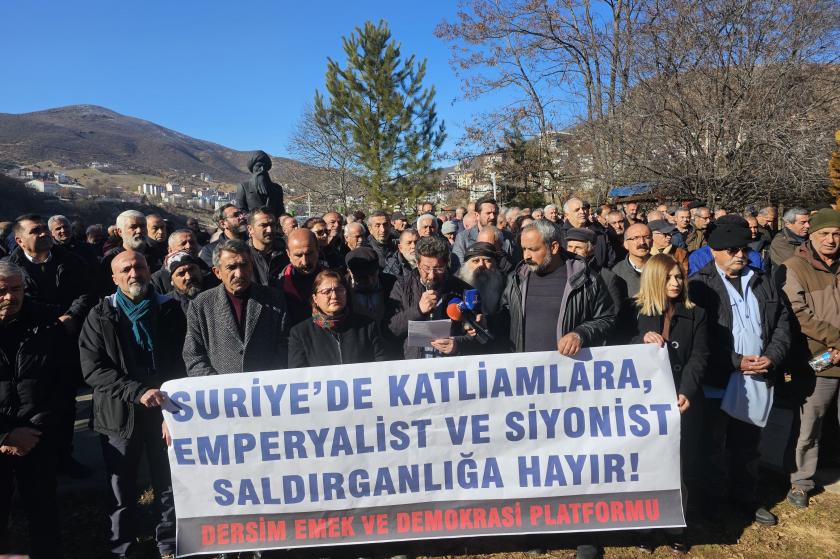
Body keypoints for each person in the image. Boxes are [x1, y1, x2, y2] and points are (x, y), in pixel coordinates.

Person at [79, 251, 185, 559]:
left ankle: (168, 543)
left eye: (138, 266)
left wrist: (173, 407)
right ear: (114, 278)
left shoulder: (171, 310)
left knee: (167, 483)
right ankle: (123, 548)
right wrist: (136, 391)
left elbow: (183, 361)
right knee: (120, 489)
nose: (133, 273)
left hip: (165, 411)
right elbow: (93, 369)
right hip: (118, 414)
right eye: (125, 270)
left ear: (150, 270)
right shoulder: (100, 315)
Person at [688, 220, 790, 526]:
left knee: (747, 444)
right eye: (732, 250)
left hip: (757, 377)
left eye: (744, 249)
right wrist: (735, 361)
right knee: (712, 445)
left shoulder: (762, 280)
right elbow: (700, 337)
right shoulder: (700, 285)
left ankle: (745, 496)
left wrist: (772, 357)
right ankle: (711, 501)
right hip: (719, 381)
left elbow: (782, 321)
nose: (740, 255)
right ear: (713, 251)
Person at [631, 253, 708, 554]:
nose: (676, 283)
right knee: (648, 466)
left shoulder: (696, 314)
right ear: (654, 279)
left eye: (679, 277)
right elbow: (616, 350)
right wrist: (640, 340)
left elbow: (699, 356)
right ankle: (646, 527)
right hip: (644, 405)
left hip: (679, 401)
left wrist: (687, 390)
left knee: (677, 467)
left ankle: (676, 525)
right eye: (669, 277)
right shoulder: (635, 311)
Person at [8, 213, 94, 477]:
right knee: (31, 405)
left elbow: (87, 291)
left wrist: (72, 315)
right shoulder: (10, 269)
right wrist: (54, 317)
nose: (44, 234)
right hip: (29, 347)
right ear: (20, 240)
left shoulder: (71, 261)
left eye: (44, 229)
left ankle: (64, 457)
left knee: (65, 402)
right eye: (36, 231)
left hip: (66, 342)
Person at [0, 261, 66, 558]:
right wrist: (5, 435)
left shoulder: (46, 322)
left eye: (17, 289)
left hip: (38, 436)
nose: (10, 297)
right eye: (2, 291)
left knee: (44, 514)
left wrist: (34, 430)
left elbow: (63, 381)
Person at [779, 208, 840, 508]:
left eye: (837, 234)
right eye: (824, 234)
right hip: (818, 360)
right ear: (811, 236)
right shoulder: (795, 267)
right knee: (809, 426)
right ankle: (801, 481)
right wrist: (836, 341)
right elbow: (799, 314)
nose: (831, 239)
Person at [498, 220, 615, 355]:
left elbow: (607, 319)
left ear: (553, 247)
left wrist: (580, 334)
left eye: (533, 249)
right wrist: (486, 322)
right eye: (524, 249)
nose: (526, 256)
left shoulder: (586, 279)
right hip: (526, 371)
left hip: (568, 369)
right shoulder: (516, 279)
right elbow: (505, 317)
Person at [183, 239, 289, 376]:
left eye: (244, 265)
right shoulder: (201, 304)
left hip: (267, 390)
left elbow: (285, 344)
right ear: (217, 272)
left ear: (251, 266)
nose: (239, 274)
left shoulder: (274, 298)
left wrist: (268, 380)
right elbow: (194, 356)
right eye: (231, 267)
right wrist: (219, 387)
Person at [387, 235, 478, 359]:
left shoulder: (461, 289)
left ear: (446, 263)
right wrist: (418, 310)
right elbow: (391, 329)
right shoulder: (402, 286)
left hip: (450, 368)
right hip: (414, 366)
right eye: (426, 268)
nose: (431, 275)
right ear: (417, 263)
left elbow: (477, 334)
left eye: (438, 268)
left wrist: (458, 344)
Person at [289, 270, 388, 367]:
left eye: (339, 290)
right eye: (326, 292)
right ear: (315, 299)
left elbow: (381, 364)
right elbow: (298, 375)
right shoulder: (301, 333)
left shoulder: (367, 326)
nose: (334, 296)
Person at [100, 210, 164, 295]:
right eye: (133, 227)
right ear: (120, 231)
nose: (139, 231)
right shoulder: (111, 259)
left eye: (142, 226)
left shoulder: (160, 254)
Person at [279, 229, 324, 326]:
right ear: (288, 254)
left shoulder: (334, 282)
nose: (305, 262)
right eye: (298, 255)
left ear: (318, 249)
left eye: (309, 254)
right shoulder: (278, 285)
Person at [150, 229, 217, 294]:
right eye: (183, 243)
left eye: (192, 242)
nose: (189, 246)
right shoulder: (157, 280)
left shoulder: (209, 270)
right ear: (170, 250)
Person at [452, 197, 514, 264]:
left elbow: (514, 266)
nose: (492, 217)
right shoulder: (463, 238)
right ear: (477, 215)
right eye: (488, 213)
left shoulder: (508, 237)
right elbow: (458, 269)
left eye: (495, 213)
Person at [345, 247, 395, 324]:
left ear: (378, 269)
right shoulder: (339, 289)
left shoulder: (392, 283)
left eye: (373, 274)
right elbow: (322, 321)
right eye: (362, 277)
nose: (369, 281)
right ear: (350, 272)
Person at [456, 241, 506, 318]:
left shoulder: (506, 286)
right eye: (476, 261)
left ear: (495, 265)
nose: (481, 265)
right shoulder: (455, 288)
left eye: (487, 260)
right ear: (466, 266)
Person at [561, 197, 614, 268]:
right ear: (567, 215)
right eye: (577, 210)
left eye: (583, 208)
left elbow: (611, 259)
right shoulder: (560, 236)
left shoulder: (600, 232)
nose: (582, 212)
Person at [247, 207, 289, 287]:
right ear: (250, 229)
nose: (269, 230)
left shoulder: (287, 250)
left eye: (272, 225)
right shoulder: (242, 254)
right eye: (264, 225)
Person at [235, 150, 285, 216]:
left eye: (265, 167)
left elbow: (281, 211)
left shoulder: (277, 188)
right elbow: (240, 211)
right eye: (258, 166)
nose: (262, 169)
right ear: (252, 168)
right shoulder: (244, 187)